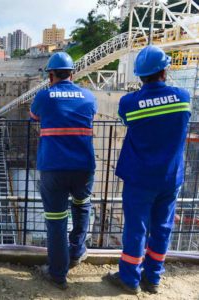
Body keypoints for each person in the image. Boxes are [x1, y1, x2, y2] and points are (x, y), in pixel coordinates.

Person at [106, 45, 191, 294]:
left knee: (136, 228)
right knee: (163, 227)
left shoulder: (129, 103)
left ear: (140, 75)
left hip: (139, 177)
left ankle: (129, 280)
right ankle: (153, 278)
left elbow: (128, 120)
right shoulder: (183, 97)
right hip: (169, 176)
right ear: (164, 71)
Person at [30, 52, 97, 290]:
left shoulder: (44, 96)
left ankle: (58, 273)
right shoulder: (88, 96)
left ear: (50, 75)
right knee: (82, 207)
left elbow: (34, 115)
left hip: (54, 167)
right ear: (73, 73)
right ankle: (77, 252)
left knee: (56, 220)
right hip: (83, 167)